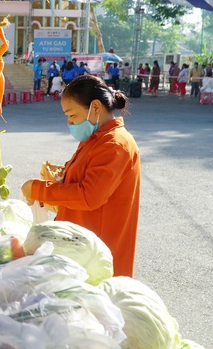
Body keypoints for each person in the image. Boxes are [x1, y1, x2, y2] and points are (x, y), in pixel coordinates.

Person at [20, 75, 140, 277]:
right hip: (82, 245)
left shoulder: (114, 144)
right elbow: (86, 176)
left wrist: (38, 189)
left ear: (95, 107)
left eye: (72, 115)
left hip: (97, 254)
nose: (69, 122)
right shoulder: (97, 138)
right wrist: (62, 177)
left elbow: (89, 195)